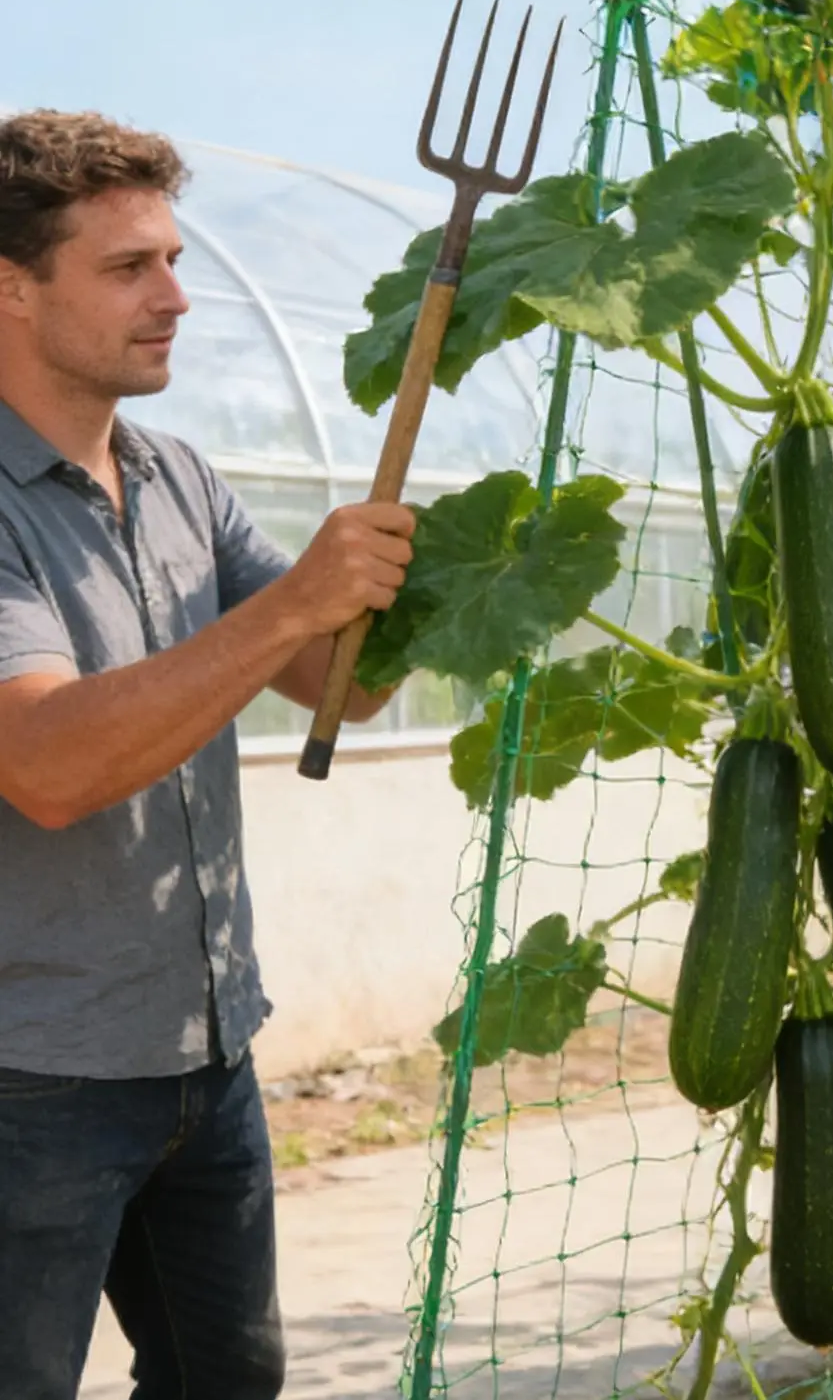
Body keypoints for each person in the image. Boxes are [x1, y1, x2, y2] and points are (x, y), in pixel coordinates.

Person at [0, 109, 417, 1397]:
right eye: (130, 268)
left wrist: (452, 578)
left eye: (175, 259)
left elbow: (322, 680)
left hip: (209, 1050)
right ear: (11, 288)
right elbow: (48, 764)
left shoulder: (179, 474)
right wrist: (295, 599)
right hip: (34, 1081)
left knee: (224, 1378)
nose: (176, 295)